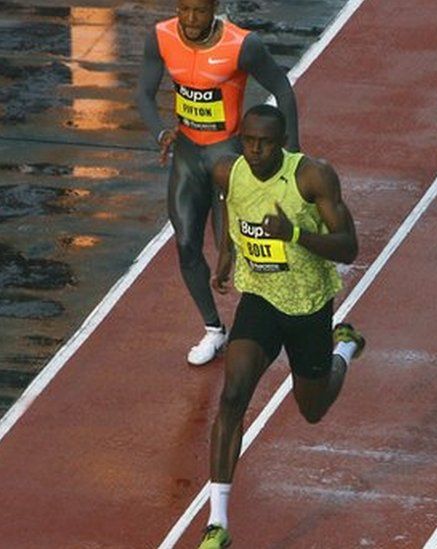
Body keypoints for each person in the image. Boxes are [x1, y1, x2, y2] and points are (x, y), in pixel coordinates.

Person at [198, 105, 363, 548]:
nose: (255, 150)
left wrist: (292, 235)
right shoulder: (228, 172)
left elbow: (349, 247)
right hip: (260, 300)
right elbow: (224, 203)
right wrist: (228, 251)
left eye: (265, 142)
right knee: (233, 394)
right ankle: (218, 523)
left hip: (308, 307)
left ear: (283, 140)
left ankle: (343, 348)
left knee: (312, 409)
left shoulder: (312, 177)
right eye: (248, 141)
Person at [135, 0, 300, 365]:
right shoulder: (160, 36)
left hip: (228, 159)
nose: (191, 19)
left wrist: (293, 155)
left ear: (215, 9)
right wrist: (160, 132)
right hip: (188, 157)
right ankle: (214, 330)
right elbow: (144, 93)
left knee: (240, 248)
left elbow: (283, 90)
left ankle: (287, 316)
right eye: (184, 9)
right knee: (186, 244)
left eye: (200, 11)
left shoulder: (243, 45)